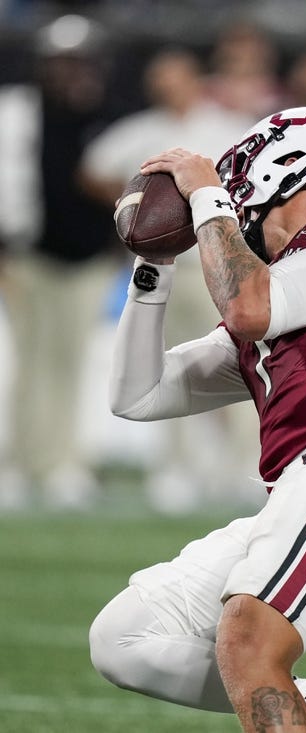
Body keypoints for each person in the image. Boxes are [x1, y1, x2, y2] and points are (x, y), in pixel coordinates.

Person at [87, 106, 306, 733]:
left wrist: (204, 198)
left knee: (249, 637)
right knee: (125, 638)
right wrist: (154, 267)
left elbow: (252, 309)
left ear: (298, 158)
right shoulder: (282, 289)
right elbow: (138, 394)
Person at [79, 46, 258, 514]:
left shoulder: (225, 125)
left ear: (195, 79)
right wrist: (132, 213)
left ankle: (247, 465)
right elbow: (93, 171)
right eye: (161, 79)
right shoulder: (142, 130)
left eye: (175, 77)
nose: (167, 86)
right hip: (162, 264)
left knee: (242, 361)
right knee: (167, 367)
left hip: (217, 262)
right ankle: (177, 467)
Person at [0, 14, 121, 509]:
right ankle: (23, 462)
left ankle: (64, 462)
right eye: (63, 61)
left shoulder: (111, 116)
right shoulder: (18, 113)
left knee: (70, 363)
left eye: (80, 61)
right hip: (30, 256)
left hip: (89, 261)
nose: (72, 71)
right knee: (30, 364)